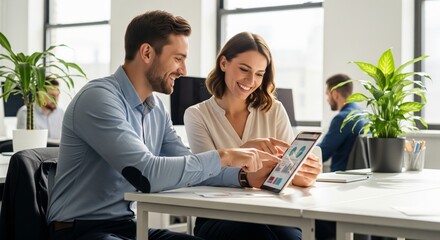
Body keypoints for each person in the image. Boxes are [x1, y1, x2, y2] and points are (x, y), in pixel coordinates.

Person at [46, 10, 282, 240]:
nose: (183, 70)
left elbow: (194, 172)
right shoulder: (99, 98)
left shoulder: (156, 108)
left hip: (125, 226)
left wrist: (244, 177)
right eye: (178, 58)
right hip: (77, 229)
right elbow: (147, 175)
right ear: (147, 53)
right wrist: (225, 155)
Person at [184, 32, 322, 240]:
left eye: (259, 74)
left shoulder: (274, 110)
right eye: (244, 69)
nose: (251, 80)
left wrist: (303, 175)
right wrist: (243, 152)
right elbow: (205, 173)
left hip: (271, 210)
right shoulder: (197, 115)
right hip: (218, 214)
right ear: (223, 63)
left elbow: (288, 169)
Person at [317, 73, 367, 172]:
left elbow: (323, 154)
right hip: (359, 177)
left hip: (340, 178)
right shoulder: (365, 114)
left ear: (335, 95)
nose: (327, 99)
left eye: (327, 94)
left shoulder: (342, 118)